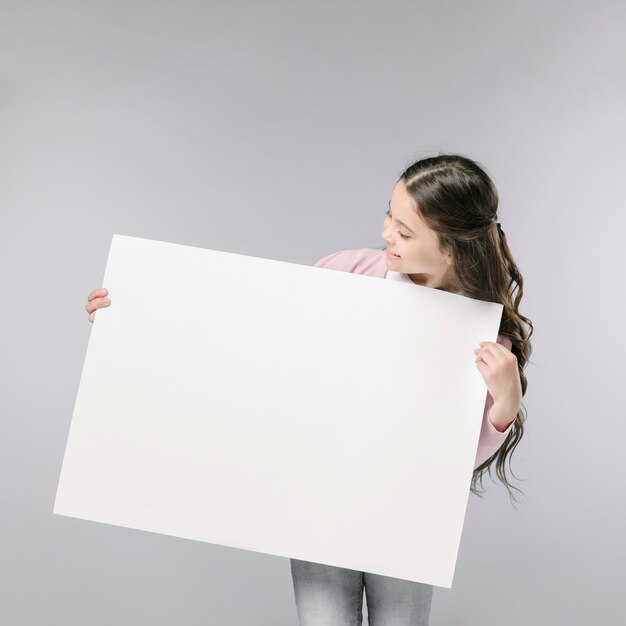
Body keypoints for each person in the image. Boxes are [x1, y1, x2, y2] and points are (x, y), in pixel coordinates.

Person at [84, 153, 533, 626]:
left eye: (405, 232)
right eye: (389, 216)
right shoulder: (345, 273)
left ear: (451, 248)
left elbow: (453, 460)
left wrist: (505, 404)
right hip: (317, 507)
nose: (387, 234)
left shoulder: (477, 333)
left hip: (404, 520)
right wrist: (129, 319)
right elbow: (242, 344)